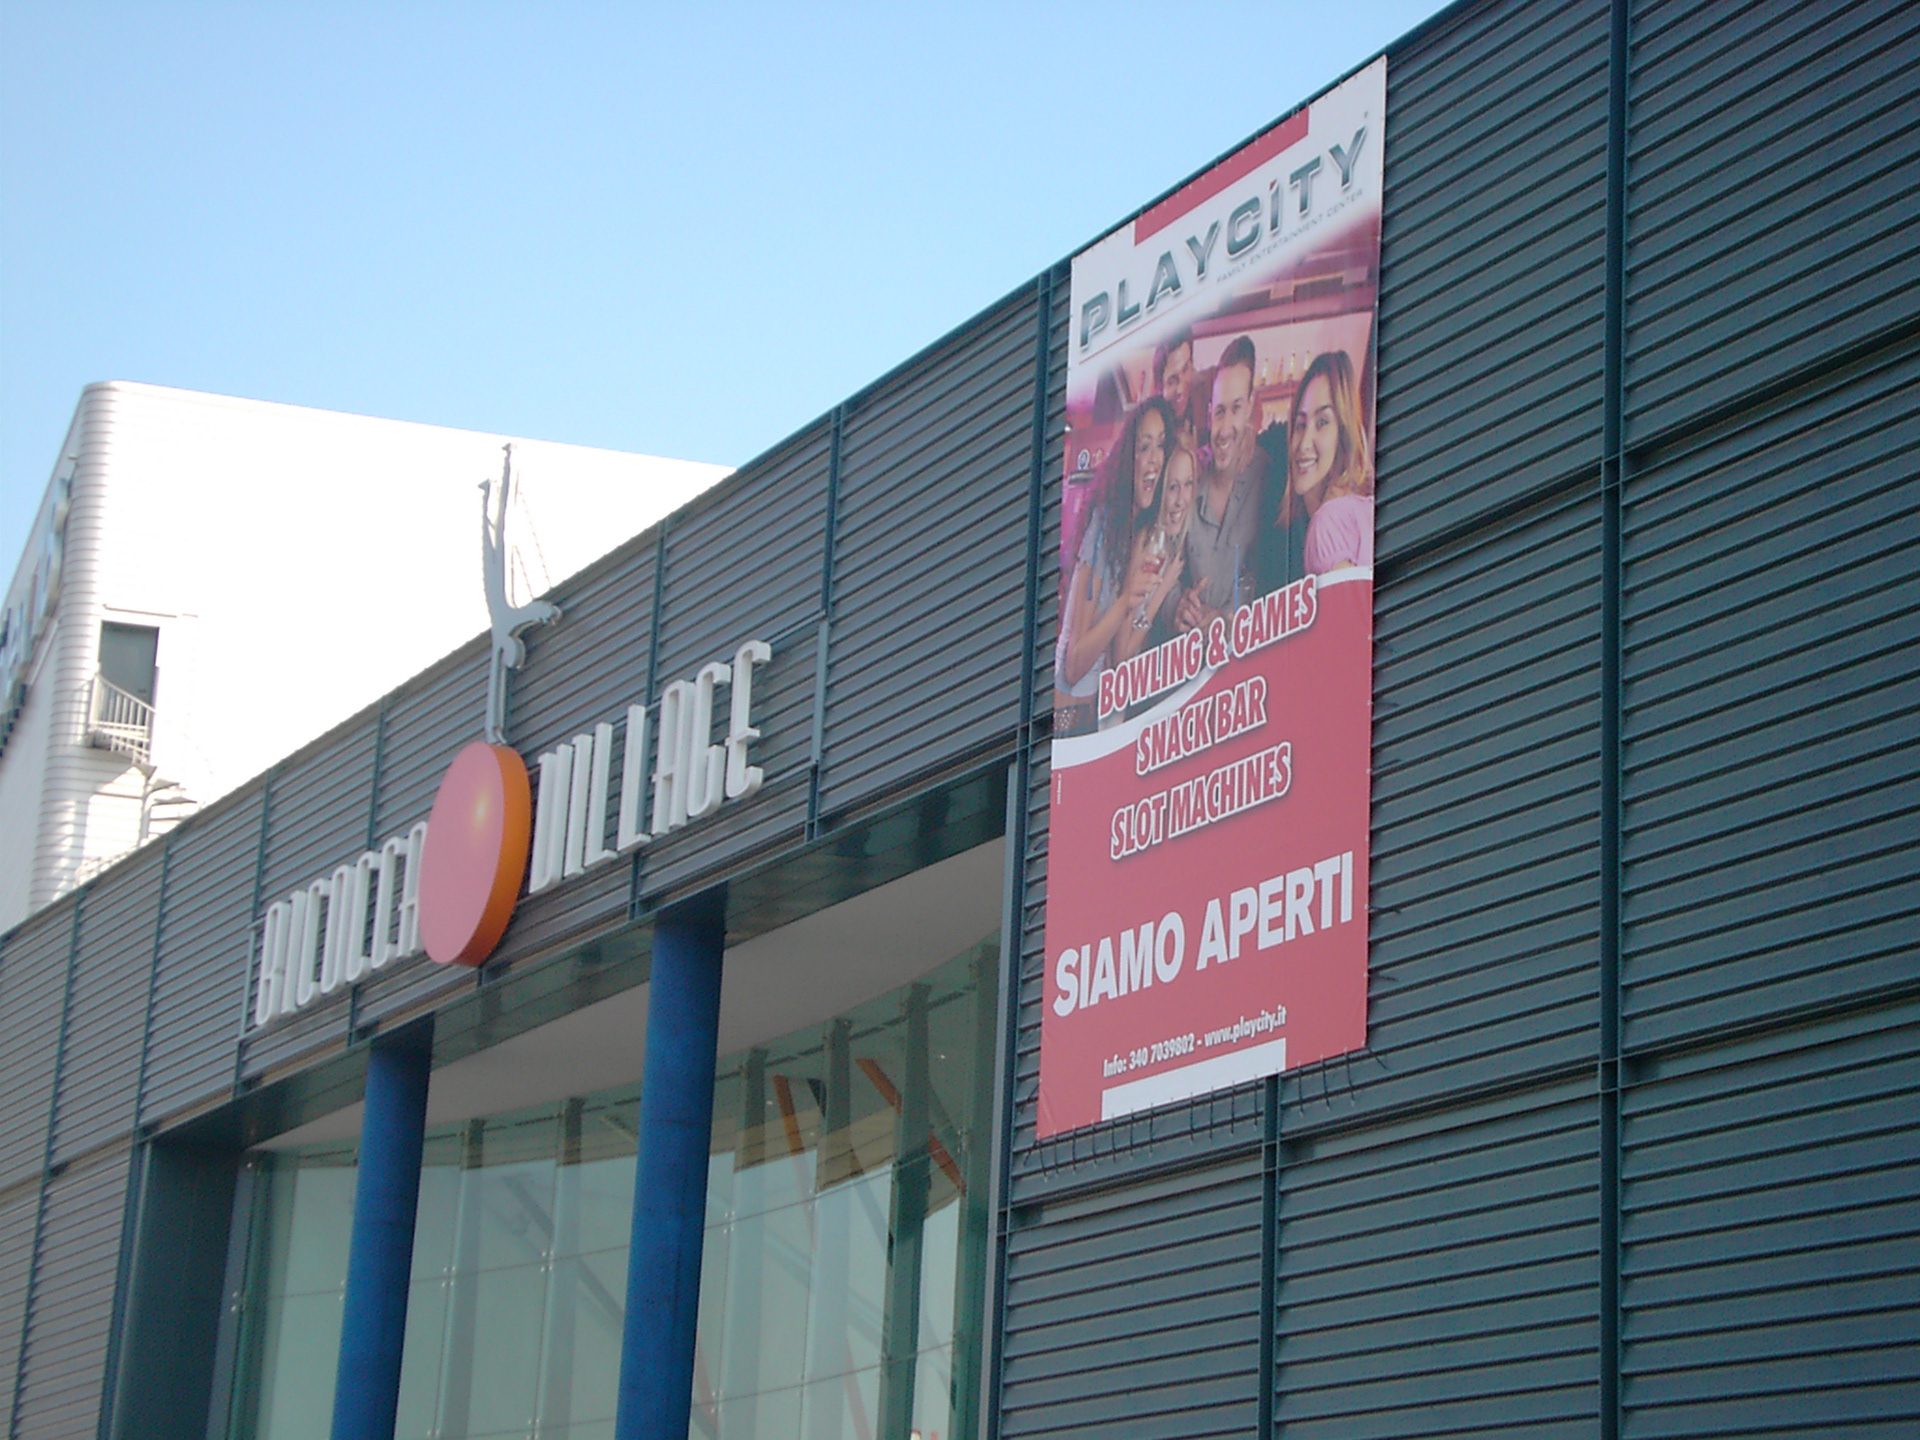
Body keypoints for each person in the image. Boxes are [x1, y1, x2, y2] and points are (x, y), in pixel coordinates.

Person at [1055, 397, 1178, 728]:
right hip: (1068, 720)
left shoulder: (1138, 535)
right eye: (1144, 447)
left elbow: (1121, 656)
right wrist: (1126, 600)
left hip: (1096, 717)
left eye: (1161, 446)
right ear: (1128, 458)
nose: (1154, 459)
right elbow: (1074, 665)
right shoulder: (1104, 522)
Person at [1175, 336, 1265, 635]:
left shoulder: (1269, 473)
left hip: (1251, 654)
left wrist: (1226, 621)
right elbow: (1161, 566)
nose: (1225, 429)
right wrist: (1177, 606)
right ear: (1209, 414)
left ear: (1250, 407)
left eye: (1236, 409)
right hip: (1187, 655)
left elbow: (1273, 577)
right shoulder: (1188, 477)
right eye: (1220, 412)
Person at [1266, 350, 1374, 583]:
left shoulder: (1327, 522)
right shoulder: (1362, 511)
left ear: (1343, 434)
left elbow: (1348, 608)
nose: (1304, 443)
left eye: (1322, 422)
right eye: (1300, 424)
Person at [1154, 326, 1199, 454]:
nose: (1180, 388)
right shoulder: (1152, 425)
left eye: (1185, 369)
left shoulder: (1206, 390)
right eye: (1172, 381)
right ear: (1160, 388)